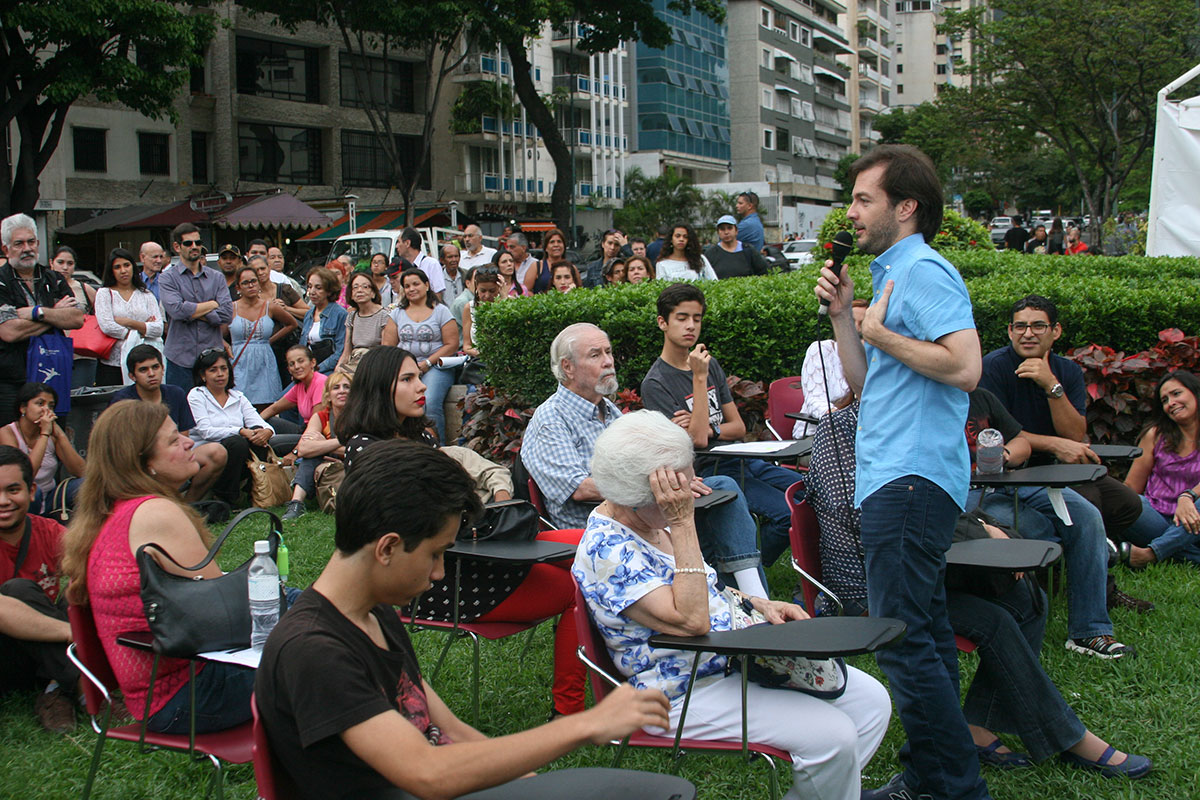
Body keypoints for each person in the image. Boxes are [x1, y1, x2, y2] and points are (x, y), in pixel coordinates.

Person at [255, 439, 673, 799]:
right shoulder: (314, 650)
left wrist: (531, 786)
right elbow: (428, 773)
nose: (439, 573)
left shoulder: (374, 614)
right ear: (387, 548)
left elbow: (450, 728)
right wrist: (586, 725)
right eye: (436, 554)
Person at [805, 408, 1152, 780]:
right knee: (995, 621)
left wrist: (980, 526)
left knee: (1028, 599)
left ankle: (975, 724)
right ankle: (1070, 737)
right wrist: (973, 530)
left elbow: (948, 498)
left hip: (921, 564)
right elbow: (864, 511)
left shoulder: (913, 418)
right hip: (866, 589)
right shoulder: (839, 428)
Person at [573, 410, 891, 800]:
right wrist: (684, 523)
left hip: (734, 659)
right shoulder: (608, 551)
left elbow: (706, 589)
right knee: (834, 736)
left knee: (872, 703)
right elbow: (691, 620)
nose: (691, 493)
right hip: (681, 691)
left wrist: (758, 602)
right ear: (637, 497)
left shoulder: (649, 521)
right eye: (680, 488)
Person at [814, 144, 988, 800]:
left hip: (911, 479)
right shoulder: (892, 274)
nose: (851, 211)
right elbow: (866, 389)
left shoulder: (923, 270)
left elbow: (966, 368)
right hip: (894, 473)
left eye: (865, 199)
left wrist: (881, 333)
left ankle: (953, 787)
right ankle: (932, 775)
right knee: (925, 633)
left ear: (906, 206)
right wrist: (844, 318)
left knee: (901, 640)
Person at [522, 323, 769, 598]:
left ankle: (749, 597)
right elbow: (579, 488)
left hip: (647, 513)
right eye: (595, 355)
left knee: (723, 489)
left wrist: (678, 479)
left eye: (609, 352)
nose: (608, 361)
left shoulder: (609, 410)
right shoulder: (550, 421)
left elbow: (646, 459)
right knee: (713, 509)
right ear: (567, 367)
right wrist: (662, 486)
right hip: (603, 529)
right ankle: (736, 599)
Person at [61, 400, 262, 734]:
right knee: (336, 650)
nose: (188, 441)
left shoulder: (113, 514)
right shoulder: (154, 513)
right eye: (172, 440)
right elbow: (231, 612)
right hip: (189, 694)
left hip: (161, 695)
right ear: (143, 464)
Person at [977, 294, 1152, 613]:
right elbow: (999, 435)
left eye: (1038, 325)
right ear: (1009, 331)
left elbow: (1075, 434)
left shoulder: (1066, 371)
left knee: (1125, 503)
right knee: (1087, 507)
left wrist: (1051, 385)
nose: (1028, 333)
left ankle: (1086, 570)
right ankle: (1099, 588)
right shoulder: (993, 368)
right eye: (1020, 326)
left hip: (1062, 469)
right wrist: (1055, 444)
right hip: (1013, 475)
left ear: (1055, 331)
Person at [963, 388, 1134, 659]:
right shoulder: (927, 400)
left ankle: (1089, 631)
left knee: (1086, 516)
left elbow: (1021, 442)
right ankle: (1093, 549)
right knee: (1033, 528)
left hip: (1010, 480)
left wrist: (1004, 454)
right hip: (966, 491)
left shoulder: (980, 397)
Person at [640, 283, 799, 568]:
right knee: (787, 514)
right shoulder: (657, 383)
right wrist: (699, 380)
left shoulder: (708, 364)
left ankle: (747, 567)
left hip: (743, 458)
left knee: (805, 490)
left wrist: (711, 429)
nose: (691, 326)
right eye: (682, 318)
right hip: (711, 468)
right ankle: (746, 573)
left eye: (697, 318)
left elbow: (737, 427)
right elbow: (697, 443)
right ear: (662, 322)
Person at [0, 446, 79, 733]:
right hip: (9, 657)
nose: (3, 501)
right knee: (17, 591)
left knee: (80, 591)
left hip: (47, 649)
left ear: (31, 491)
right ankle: (84, 686)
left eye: (12, 490)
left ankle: (54, 690)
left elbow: (89, 569)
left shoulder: (50, 532)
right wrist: (72, 634)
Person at [106, 344, 226, 503]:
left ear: (163, 369)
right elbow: (122, 449)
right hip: (140, 462)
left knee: (217, 452)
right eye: (143, 370)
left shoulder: (175, 393)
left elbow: (183, 436)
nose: (151, 374)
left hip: (174, 453)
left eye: (155, 367)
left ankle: (188, 504)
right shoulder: (123, 401)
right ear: (132, 376)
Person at [0, 213, 84, 424]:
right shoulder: (1, 281)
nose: (27, 248)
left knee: (54, 440)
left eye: (31, 242)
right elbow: (9, 331)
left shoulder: (53, 278)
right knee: (14, 446)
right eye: (18, 243)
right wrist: (54, 313)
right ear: (5, 249)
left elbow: (76, 318)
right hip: (11, 381)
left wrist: (37, 312)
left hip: (52, 376)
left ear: (38, 244)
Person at [1121, 371, 1200, 568]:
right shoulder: (1155, 435)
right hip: (1158, 518)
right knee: (1129, 502)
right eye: (1164, 400)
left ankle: (1152, 554)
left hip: (1197, 516)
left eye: (1176, 394)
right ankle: (1179, 549)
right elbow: (1131, 486)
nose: (1170, 403)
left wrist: (1187, 496)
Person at [186, 349, 277, 507]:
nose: (220, 374)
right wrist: (240, 430)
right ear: (203, 375)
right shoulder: (197, 395)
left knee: (258, 437)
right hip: (207, 453)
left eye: (223, 368)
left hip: (236, 455)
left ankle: (255, 492)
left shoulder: (237, 396)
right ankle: (226, 497)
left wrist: (266, 432)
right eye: (213, 370)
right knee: (237, 441)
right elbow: (206, 431)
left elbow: (259, 421)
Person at [159, 222, 233, 390]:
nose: (195, 247)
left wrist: (191, 312)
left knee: (215, 410)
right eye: (188, 243)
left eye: (198, 243)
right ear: (177, 247)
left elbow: (227, 314)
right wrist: (212, 305)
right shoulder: (167, 278)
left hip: (212, 359)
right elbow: (177, 311)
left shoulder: (216, 277)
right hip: (180, 358)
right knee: (180, 409)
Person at [389, 268, 458, 443]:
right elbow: (388, 346)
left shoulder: (441, 311)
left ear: (426, 285)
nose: (411, 289)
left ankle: (438, 446)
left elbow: (452, 344)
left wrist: (427, 363)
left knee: (430, 401)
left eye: (416, 284)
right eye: (407, 286)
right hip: (404, 368)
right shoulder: (397, 313)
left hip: (436, 366)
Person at [0, 383, 85, 516]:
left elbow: (82, 472)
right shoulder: (7, 432)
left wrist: (60, 435)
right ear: (23, 408)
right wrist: (44, 434)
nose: (46, 410)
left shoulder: (53, 435)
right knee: (35, 490)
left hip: (51, 497)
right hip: (26, 497)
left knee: (85, 484)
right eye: (40, 404)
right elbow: (26, 475)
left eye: (51, 406)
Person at [792, 299, 868, 437]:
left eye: (862, 324)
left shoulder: (876, 358)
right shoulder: (822, 350)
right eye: (852, 322)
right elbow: (815, 400)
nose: (857, 328)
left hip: (862, 435)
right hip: (819, 435)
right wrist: (841, 419)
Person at [281, 369, 350, 521]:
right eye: (336, 387)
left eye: (347, 387)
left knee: (316, 451)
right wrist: (340, 442)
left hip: (353, 463)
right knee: (310, 455)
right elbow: (304, 449)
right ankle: (296, 503)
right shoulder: (321, 416)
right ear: (328, 395)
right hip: (328, 460)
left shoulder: (361, 416)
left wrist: (322, 445)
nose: (342, 391)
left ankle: (298, 501)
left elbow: (361, 450)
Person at [227, 265, 297, 407]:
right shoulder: (231, 308)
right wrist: (226, 346)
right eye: (245, 283)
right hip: (239, 361)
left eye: (254, 281)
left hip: (264, 361)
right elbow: (216, 333)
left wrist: (270, 341)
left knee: (267, 405)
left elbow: (292, 324)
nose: (251, 285)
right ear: (238, 288)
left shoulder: (269, 306)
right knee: (238, 402)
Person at [94, 246, 163, 387]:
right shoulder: (105, 293)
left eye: (127, 265)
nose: (123, 270)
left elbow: (158, 329)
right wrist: (143, 329)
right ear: (111, 271)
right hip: (113, 363)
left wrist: (128, 322)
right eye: (117, 267)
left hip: (144, 364)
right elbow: (107, 326)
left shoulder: (146, 294)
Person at [336, 271, 396, 374]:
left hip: (375, 364)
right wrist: (338, 367)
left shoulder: (384, 315)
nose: (360, 290)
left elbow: (386, 352)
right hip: (354, 362)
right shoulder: (352, 316)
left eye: (365, 287)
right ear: (351, 295)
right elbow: (346, 352)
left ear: (373, 293)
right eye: (355, 287)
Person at [260, 345, 328, 432]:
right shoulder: (299, 386)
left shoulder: (320, 382)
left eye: (301, 361)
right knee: (269, 421)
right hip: (305, 430)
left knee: (275, 442)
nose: (296, 367)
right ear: (289, 369)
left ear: (313, 362)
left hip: (318, 435)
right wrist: (255, 425)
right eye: (292, 364)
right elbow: (274, 408)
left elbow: (317, 422)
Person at [298, 266, 348, 375]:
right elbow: (302, 348)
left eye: (318, 288)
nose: (312, 292)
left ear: (329, 291)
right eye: (310, 287)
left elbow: (340, 352)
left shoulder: (340, 314)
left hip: (328, 370)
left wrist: (316, 369)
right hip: (308, 370)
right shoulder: (308, 314)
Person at [704, 214, 770, 279]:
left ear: (736, 231)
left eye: (729, 228)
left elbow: (764, 272)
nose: (726, 232)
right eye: (722, 229)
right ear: (718, 232)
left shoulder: (748, 250)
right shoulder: (711, 253)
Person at [250, 253, 307, 322]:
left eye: (263, 268)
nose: (260, 273)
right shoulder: (250, 295)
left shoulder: (285, 289)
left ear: (269, 268)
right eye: (256, 270)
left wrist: (286, 308)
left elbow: (308, 313)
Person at [392, 227, 446, 298]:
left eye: (398, 242)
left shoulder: (431, 264)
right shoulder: (400, 266)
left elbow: (438, 294)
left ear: (407, 243)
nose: (396, 246)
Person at [460, 268, 501, 359]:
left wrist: (504, 297)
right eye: (483, 291)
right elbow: (467, 346)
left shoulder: (508, 303)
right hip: (479, 359)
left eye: (492, 291)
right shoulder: (469, 307)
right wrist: (479, 353)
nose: (487, 296)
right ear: (476, 288)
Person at [524, 227, 567, 294]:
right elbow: (526, 291)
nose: (556, 245)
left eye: (559, 241)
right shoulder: (536, 266)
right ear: (546, 248)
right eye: (552, 242)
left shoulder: (572, 268)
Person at [439, 243, 466, 309]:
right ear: (442, 260)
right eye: (450, 257)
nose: (454, 260)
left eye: (456, 256)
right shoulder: (437, 277)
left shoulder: (466, 275)